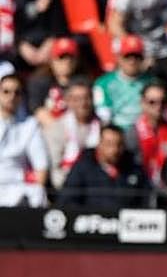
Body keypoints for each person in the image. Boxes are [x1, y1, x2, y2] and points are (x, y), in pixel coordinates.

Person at [58, 122, 151, 208]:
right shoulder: (83, 168)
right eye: (109, 144)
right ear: (100, 144)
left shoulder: (134, 169)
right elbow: (67, 200)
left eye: (119, 145)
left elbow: (146, 199)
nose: (114, 150)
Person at [0, 72, 49, 207]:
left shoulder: (30, 125)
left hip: (16, 187)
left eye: (17, 92)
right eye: (6, 91)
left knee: (38, 193)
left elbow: (41, 166)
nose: (12, 97)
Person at [93, 35, 150, 129]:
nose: (132, 61)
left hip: (145, 132)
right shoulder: (103, 83)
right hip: (117, 132)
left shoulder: (151, 82)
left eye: (137, 56)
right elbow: (102, 115)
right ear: (118, 58)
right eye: (127, 56)